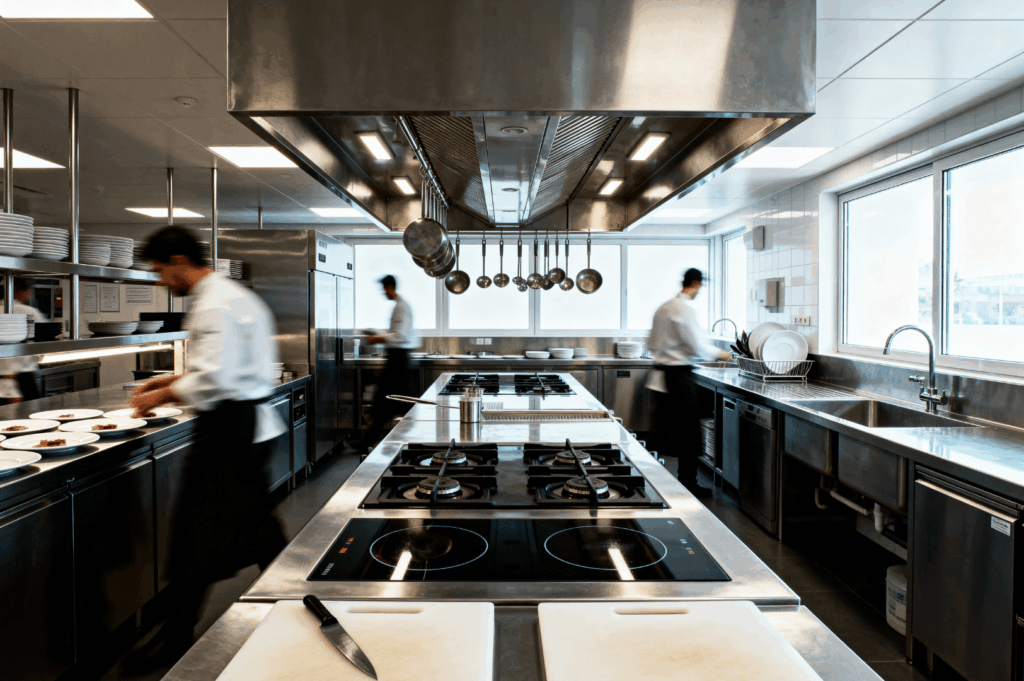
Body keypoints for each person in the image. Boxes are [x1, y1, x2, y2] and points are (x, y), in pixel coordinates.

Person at [124, 226, 287, 671]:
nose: (161, 282)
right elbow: (218, 369)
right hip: (244, 425)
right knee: (253, 525)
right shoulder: (232, 296)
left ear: (179, 261)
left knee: (198, 534)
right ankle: (299, 594)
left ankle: (176, 638)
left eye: (161, 271)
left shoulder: (215, 303)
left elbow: (215, 379)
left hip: (229, 428)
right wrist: (170, 381)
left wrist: (160, 396)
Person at [647, 268, 731, 499]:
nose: (700, 291)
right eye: (700, 286)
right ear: (694, 284)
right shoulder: (683, 308)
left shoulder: (663, 307)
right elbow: (697, 346)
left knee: (669, 431)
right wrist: (724, 355)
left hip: (661, 375)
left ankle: (659, 479)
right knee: (689, 434)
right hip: (677, 376)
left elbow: (652, 343)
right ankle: (688, 484)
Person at [354, 274, 418, 451]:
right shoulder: (399, 306)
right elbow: (395, 332)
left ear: (390, 287)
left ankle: (414, 442)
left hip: (399, 361)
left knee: (395, 404)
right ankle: (367, 442)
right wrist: (377, 334)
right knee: (387, 404)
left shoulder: (401, 307)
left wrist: (378, 338)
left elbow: (400, 335)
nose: (384, 293)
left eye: (384, 289)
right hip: (396, 359)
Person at [0, 280, 47, 404]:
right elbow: (42, 343)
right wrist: (37, 358)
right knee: (30, 419)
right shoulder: (29, 312)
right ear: (21, 291)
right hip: (24, 377)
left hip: (3, 376)